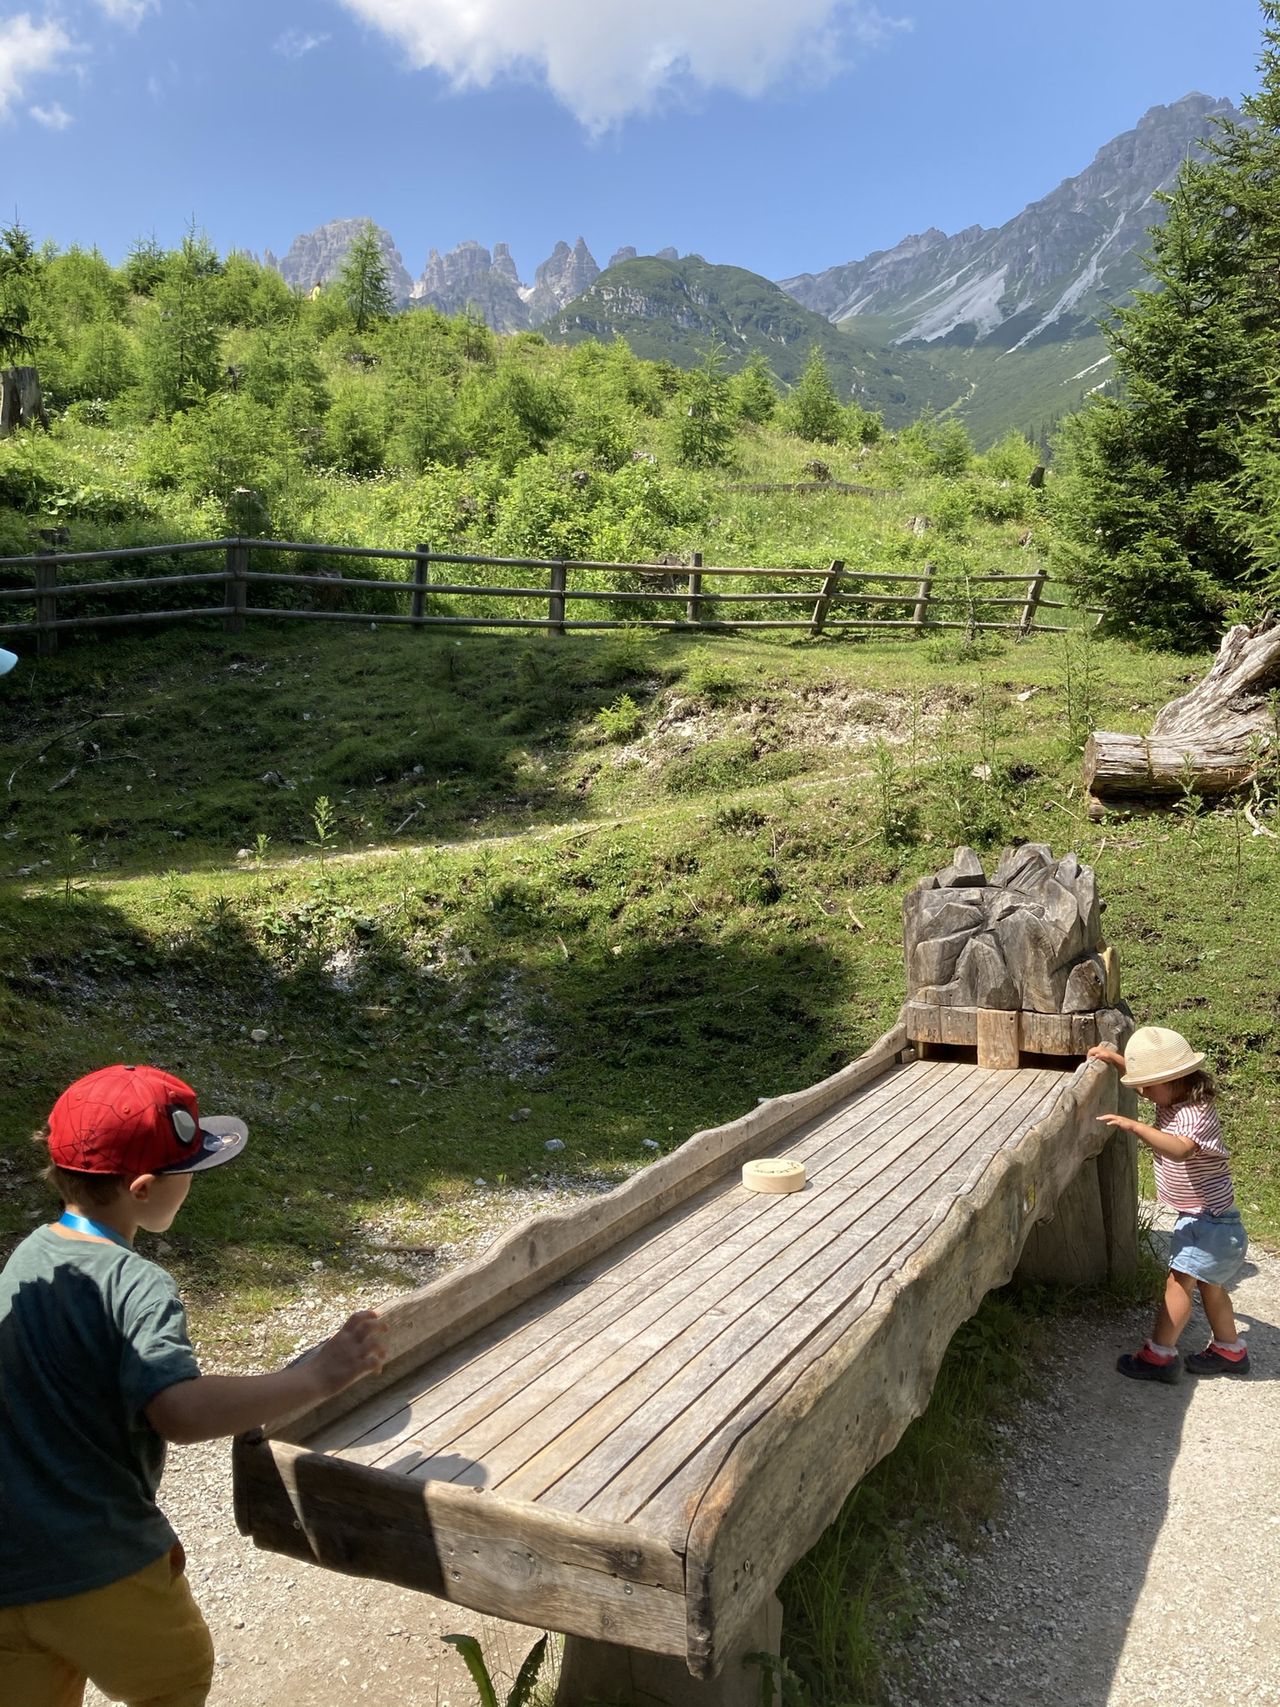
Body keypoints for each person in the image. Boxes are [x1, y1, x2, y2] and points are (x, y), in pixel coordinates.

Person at [0, 1063, 387, 1707]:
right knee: (175, 1682)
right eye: (190, 1173)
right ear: (146, 1188)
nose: (194, 1185)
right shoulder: (137, 1285)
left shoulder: (28, 1260)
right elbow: (177, 1412)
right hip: (103, 1566)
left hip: (9, 1571)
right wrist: (315, 1376)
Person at [1091, 1026, 1249, 1383]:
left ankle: (1159, 1355)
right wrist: (1118, 1062)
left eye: (1147, 1085)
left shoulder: (1196, 1115)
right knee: (1210, 1286)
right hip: (1212, 1221)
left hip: (1209, 1223)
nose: (1142, 1092)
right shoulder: (1175, 1098)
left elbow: (1178, 1149)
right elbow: (1152, 1091)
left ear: (1174, 1079)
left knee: (1178, 1284)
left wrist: (1135, 1127)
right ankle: (1230, 1349)